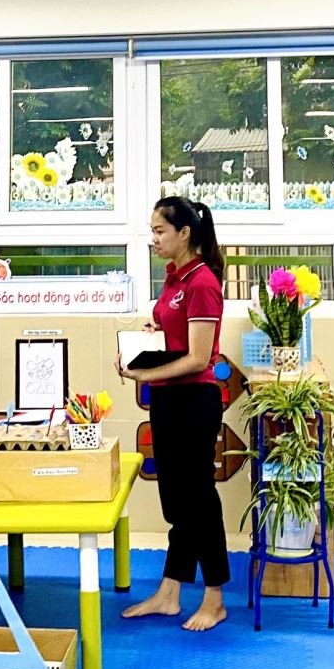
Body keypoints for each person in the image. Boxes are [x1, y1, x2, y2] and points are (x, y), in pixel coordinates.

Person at [116, 196, 229, 632]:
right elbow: (175, 337)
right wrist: (150, 339)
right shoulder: (173, 278)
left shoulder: (202, 282)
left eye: (160, 231)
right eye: (152, 231)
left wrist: (144, 374)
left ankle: (215, 598)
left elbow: (199, 358)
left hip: (194, 402)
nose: (154, 239)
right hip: (167, 400)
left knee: (199, 501)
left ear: (185, 233)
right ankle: (169, 592)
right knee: (178, 503)